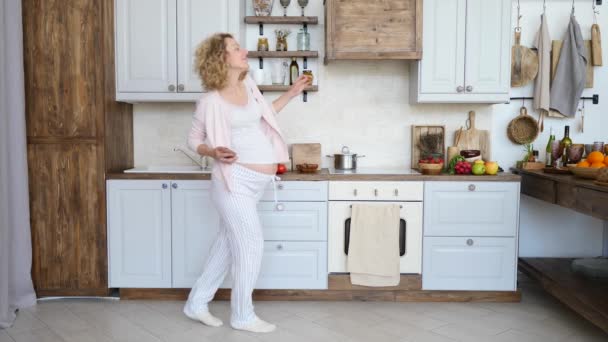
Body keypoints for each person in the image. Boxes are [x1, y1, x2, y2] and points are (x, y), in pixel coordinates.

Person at [184, 33, 310, 333]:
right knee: (250, 244)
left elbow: (266, 114)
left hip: (258, 182)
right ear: (222, 58)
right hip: (233, 181)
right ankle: (242, 315)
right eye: (236, 48)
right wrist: (213, 151)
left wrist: (291, 94)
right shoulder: (210, 101)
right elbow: (193, 140)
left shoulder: (249, 86)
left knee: (227, 244)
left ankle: (196, 303)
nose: (245, 51)